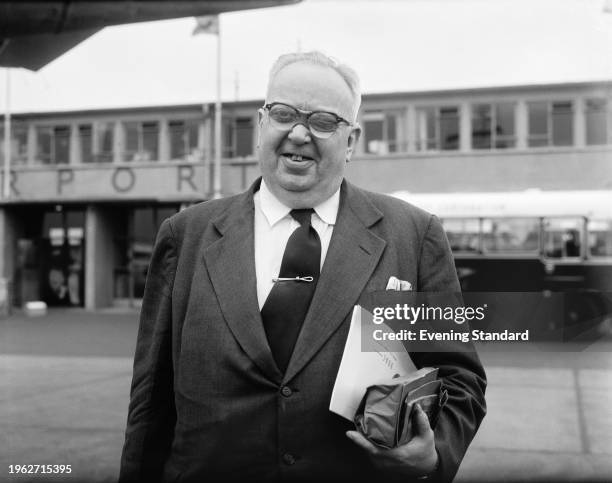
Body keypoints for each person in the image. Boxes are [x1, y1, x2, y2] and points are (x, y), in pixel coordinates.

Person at [119, 51, 486, 483]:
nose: (298, 132)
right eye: (283, 113)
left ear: (350, 141)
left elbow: (460, 379)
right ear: (261, 124)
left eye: (323, 122)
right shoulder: (186, 236)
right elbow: (151, 400)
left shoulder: (414, 235)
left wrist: (434, 453)